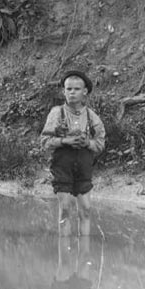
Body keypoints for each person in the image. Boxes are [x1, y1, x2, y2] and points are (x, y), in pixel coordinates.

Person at [40, 70, 106, 236]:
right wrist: (64, 141)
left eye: (76, 89)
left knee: (85, 210)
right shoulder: (57, 113)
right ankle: (64, 258)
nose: (72, 92)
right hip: (62, 167)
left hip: (84, 167)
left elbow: (100, 143)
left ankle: (84, 252)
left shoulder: (92, 117)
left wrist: (87, 143)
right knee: (65, 210)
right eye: (68, 89)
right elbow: (44, 141)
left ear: (85, 92)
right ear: (64, 91)